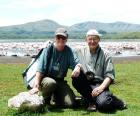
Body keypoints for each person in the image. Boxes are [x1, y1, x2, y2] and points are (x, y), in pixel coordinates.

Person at [72, 29, 127, 111]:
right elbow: (67, 51)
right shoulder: (79, 51)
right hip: (86, 83)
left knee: (104, 105)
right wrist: (77, 66)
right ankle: (91, 102)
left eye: (95, 39)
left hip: (100, 83)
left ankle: (115, 100)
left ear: (99, 40)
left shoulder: (106, 54)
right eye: (90, 39)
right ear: (86, 40)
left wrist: (101, 88)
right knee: (76, 78)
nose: (92, 41)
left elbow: (109, 75)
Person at [30, 28, 81, 107]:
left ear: (66, 39)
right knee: (51, 83)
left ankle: (56, 96)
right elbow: (40, 69)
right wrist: (36, 85)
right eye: (58, 37)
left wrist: (77, 67)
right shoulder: (48, 49)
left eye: (63, 38)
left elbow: (76, 63)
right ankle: (45, 100)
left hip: (60, 81)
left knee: (71, 104)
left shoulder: (69, 51)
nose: (60, 39)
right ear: (55, 38)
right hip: (46, 79)